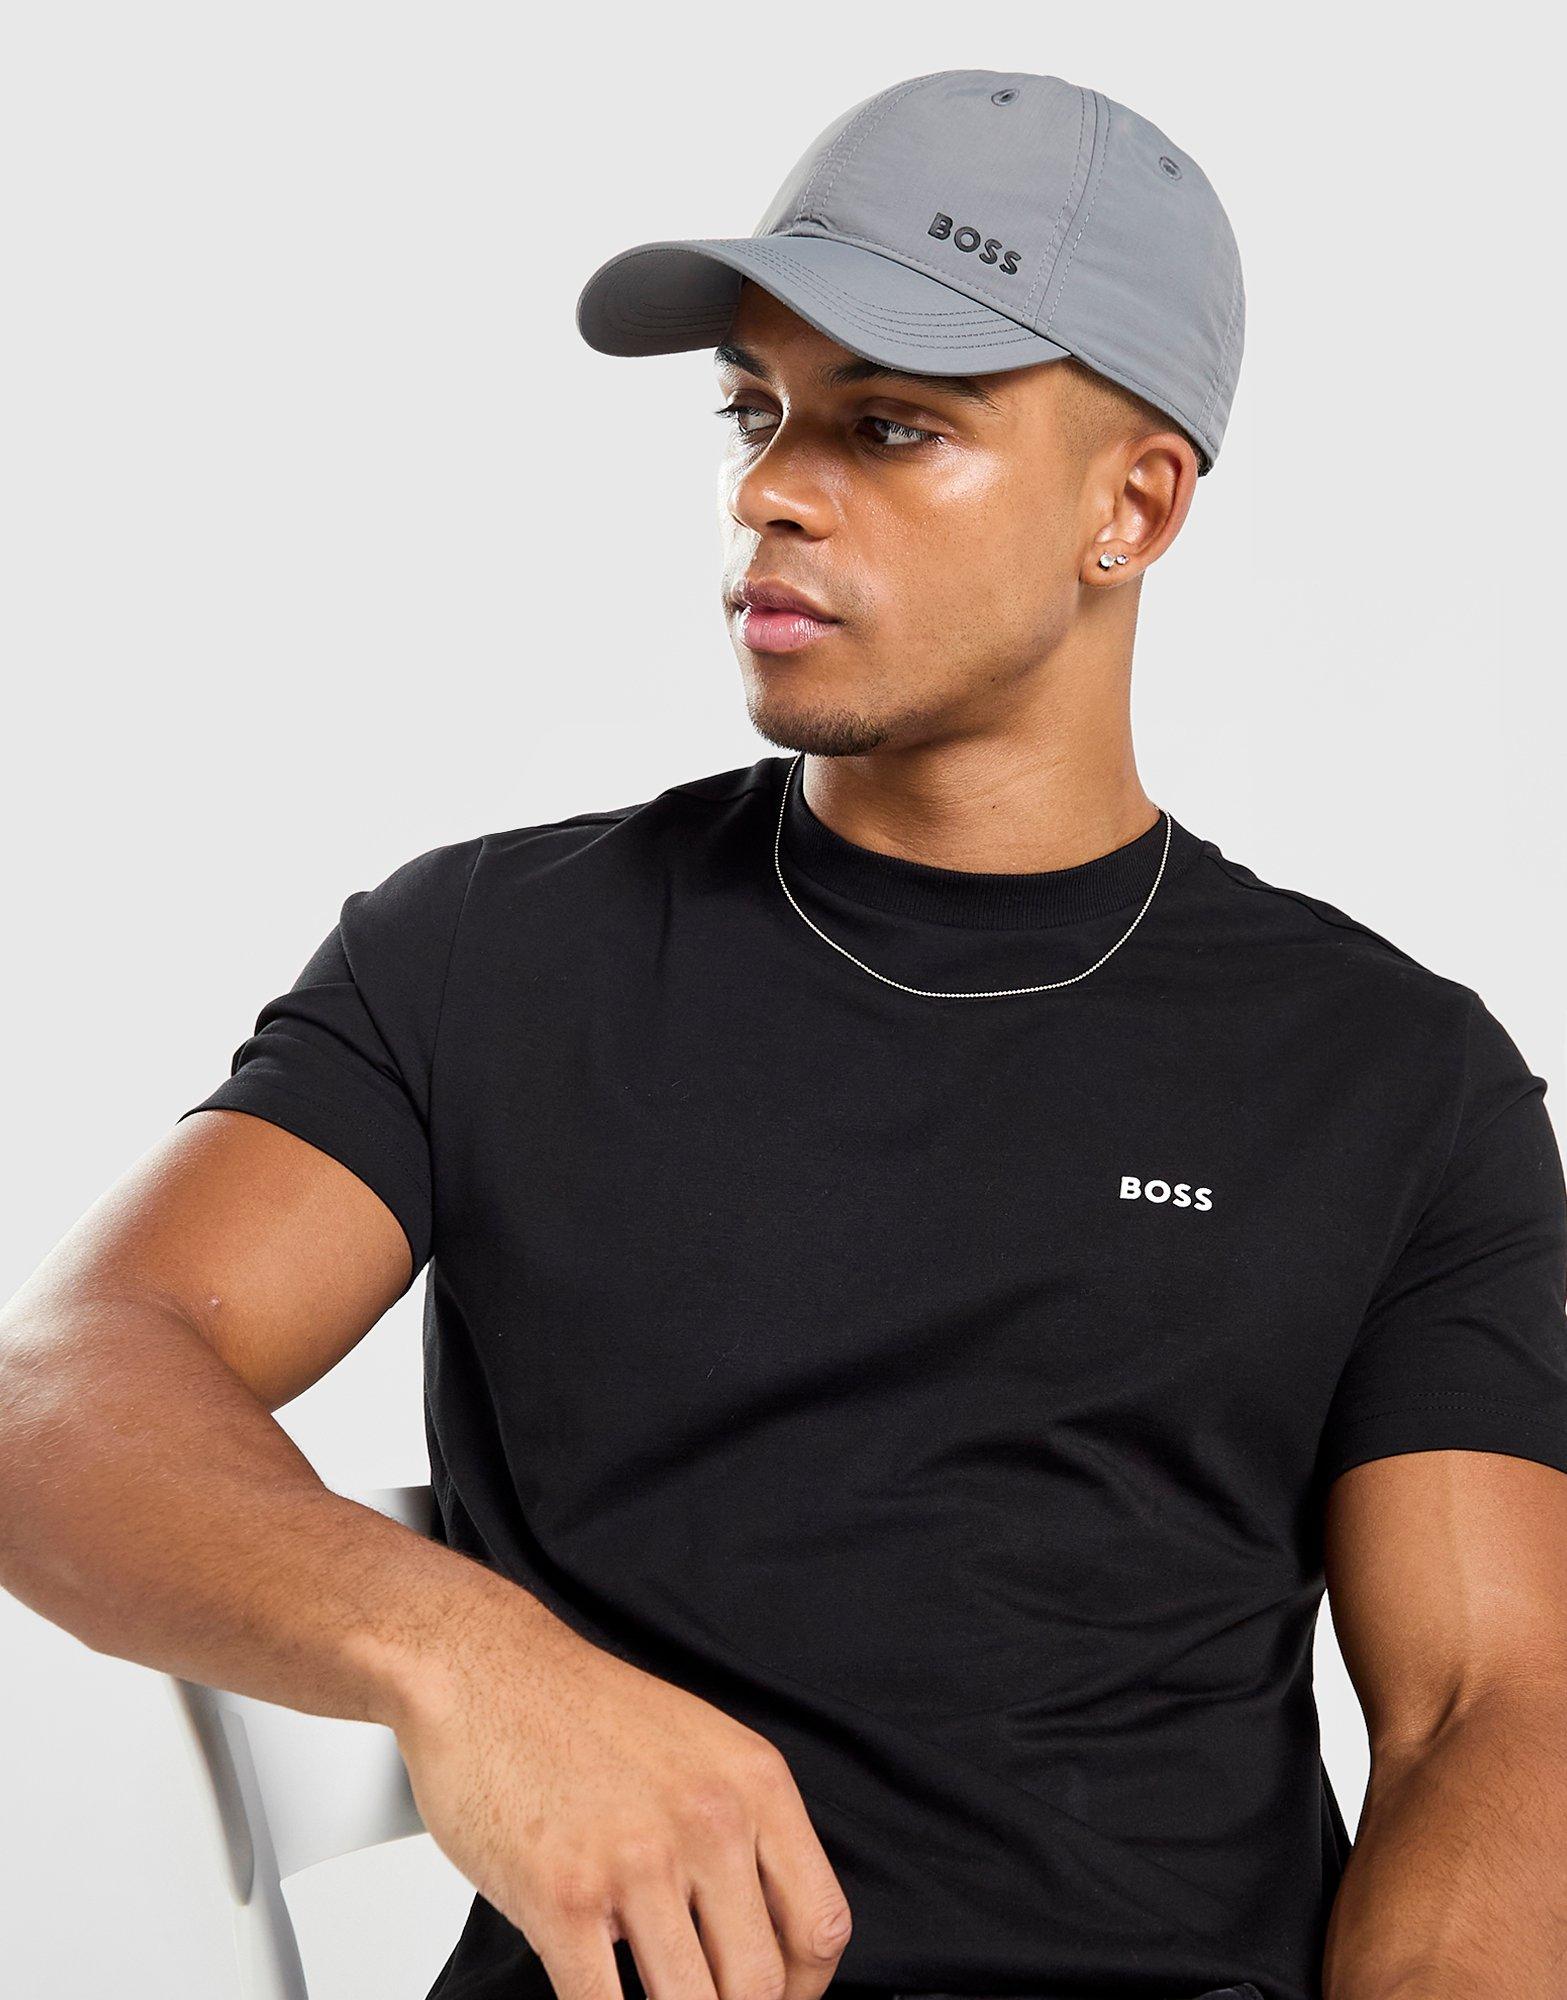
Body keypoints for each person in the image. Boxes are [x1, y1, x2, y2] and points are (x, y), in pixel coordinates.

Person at [2, 65, 1565, 2000]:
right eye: (756, 410)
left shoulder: (1393, 1078)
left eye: (890, 425)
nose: (768, 488)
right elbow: (56, 1396)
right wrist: (471, 1662)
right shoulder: (495, 957)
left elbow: (1489, 1715)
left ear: (1133, 505)